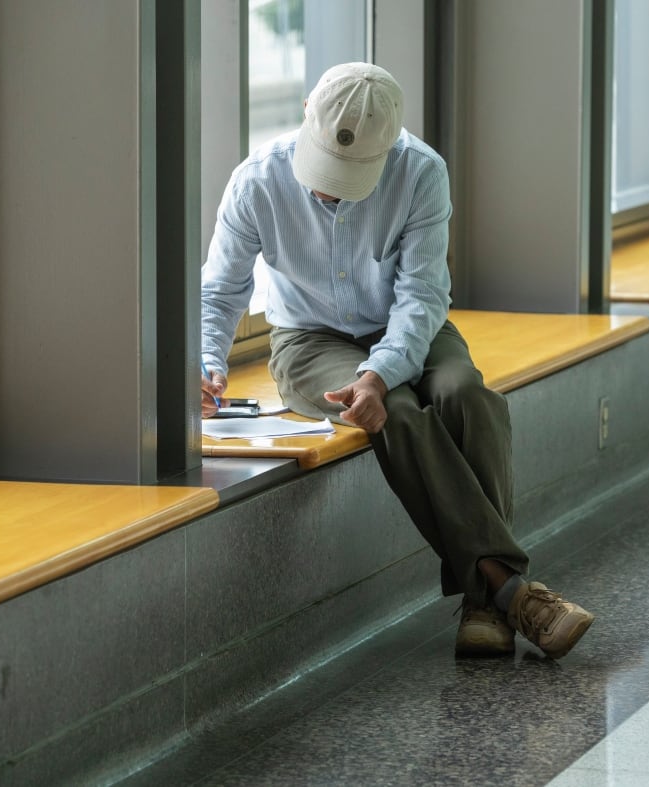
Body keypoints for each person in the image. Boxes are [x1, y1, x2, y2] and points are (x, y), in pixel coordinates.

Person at [200, 62, 594, 659]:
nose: (329, 190)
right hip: (309, 341)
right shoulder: (256, 181)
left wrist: (380, 372)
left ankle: (485, 603)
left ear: (391, 145)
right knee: (397, 416)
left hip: (407, 327)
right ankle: (509, 592)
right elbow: (219, 291)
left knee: (467, 395)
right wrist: (206, 363)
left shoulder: (421, 172)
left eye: (349, 178)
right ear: (307, 111)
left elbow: (421, 297)